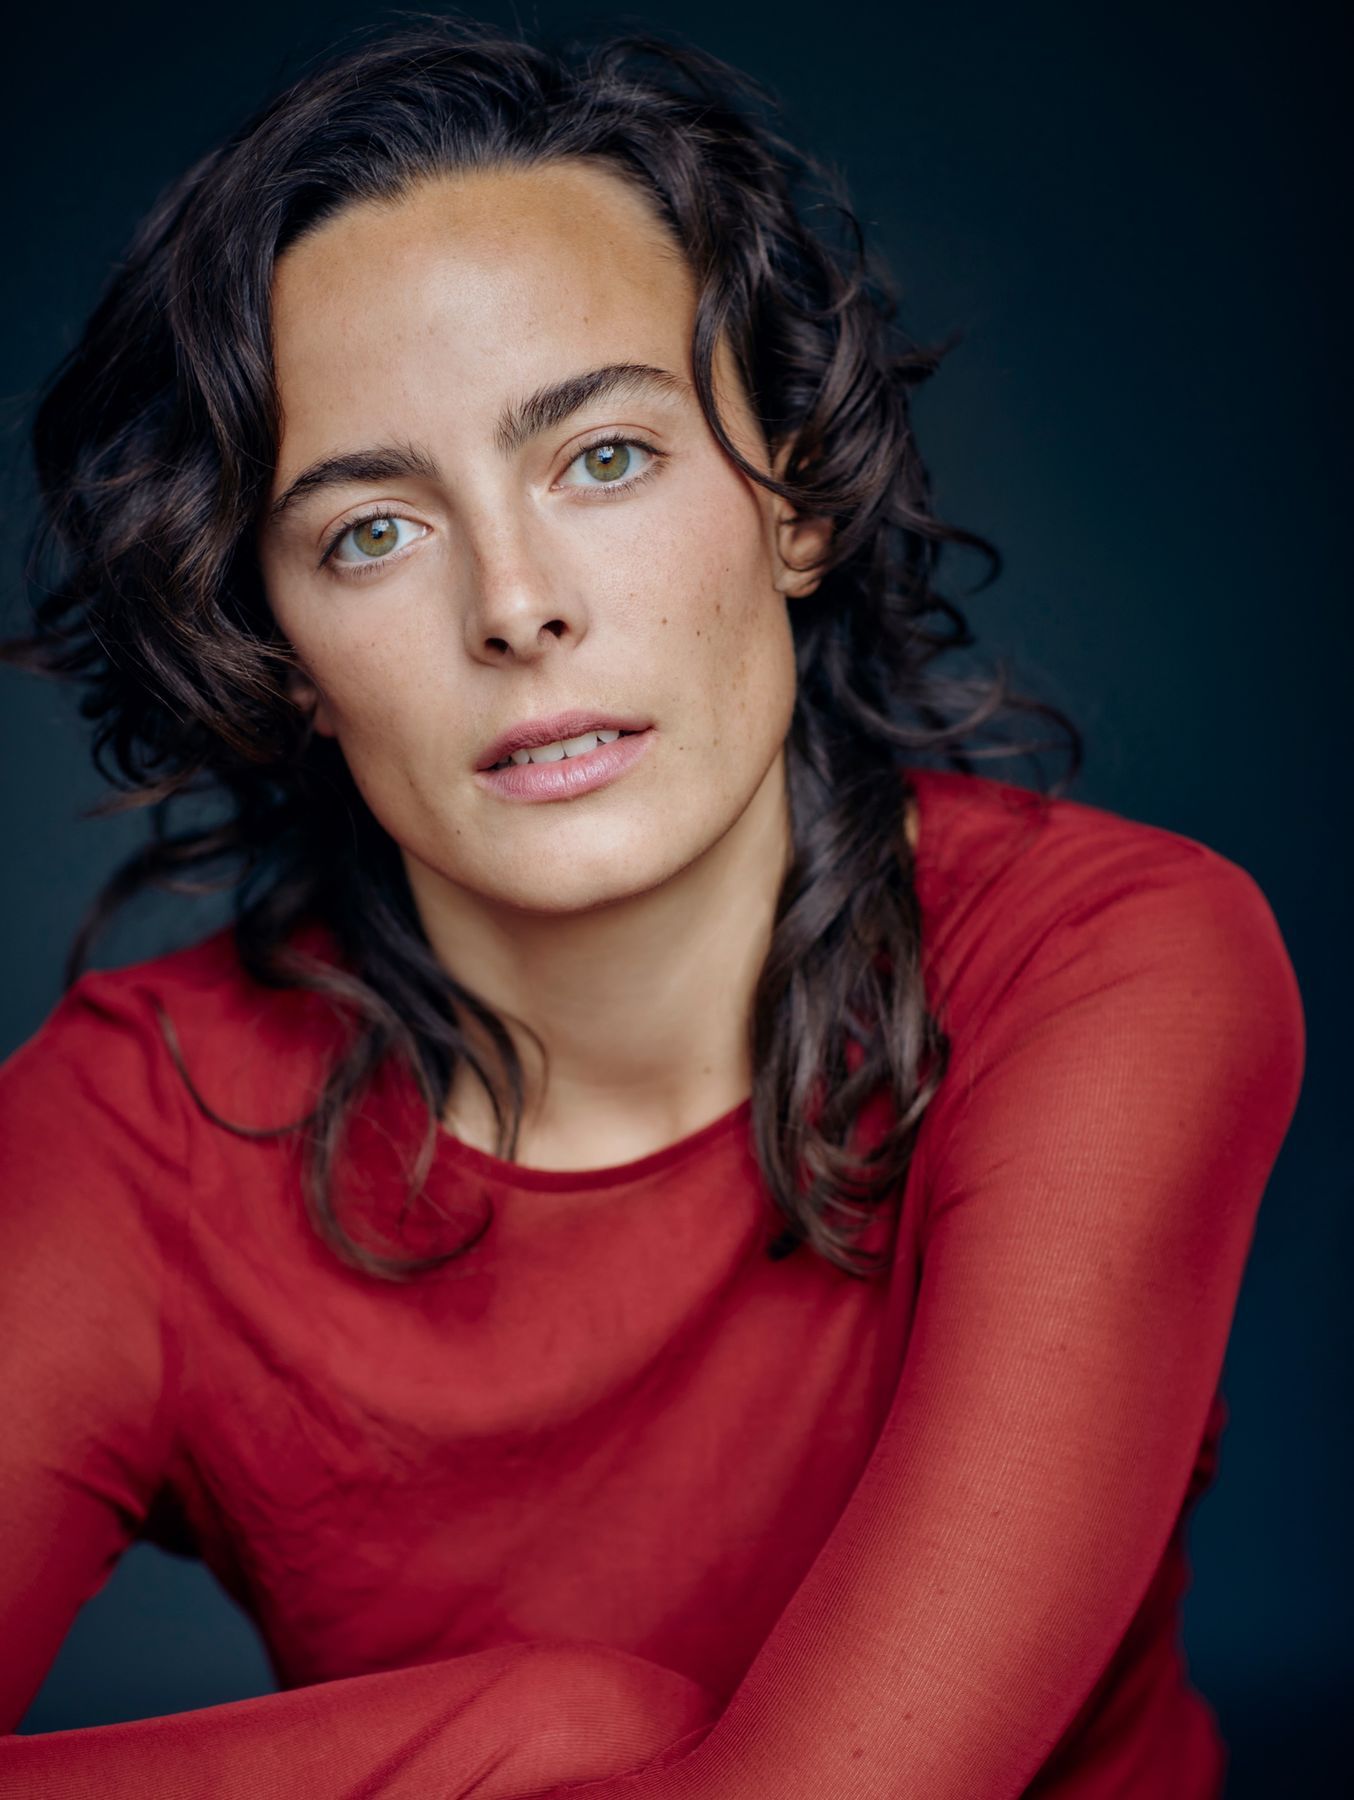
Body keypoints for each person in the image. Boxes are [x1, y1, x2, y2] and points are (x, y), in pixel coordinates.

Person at [0, 14, 1305, 1798]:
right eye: (371, 532)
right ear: (282, 653)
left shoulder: (1102, 966)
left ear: (792, 498)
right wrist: (515, 1740)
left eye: (602, 456)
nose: (514, 605)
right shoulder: (135, 1135)